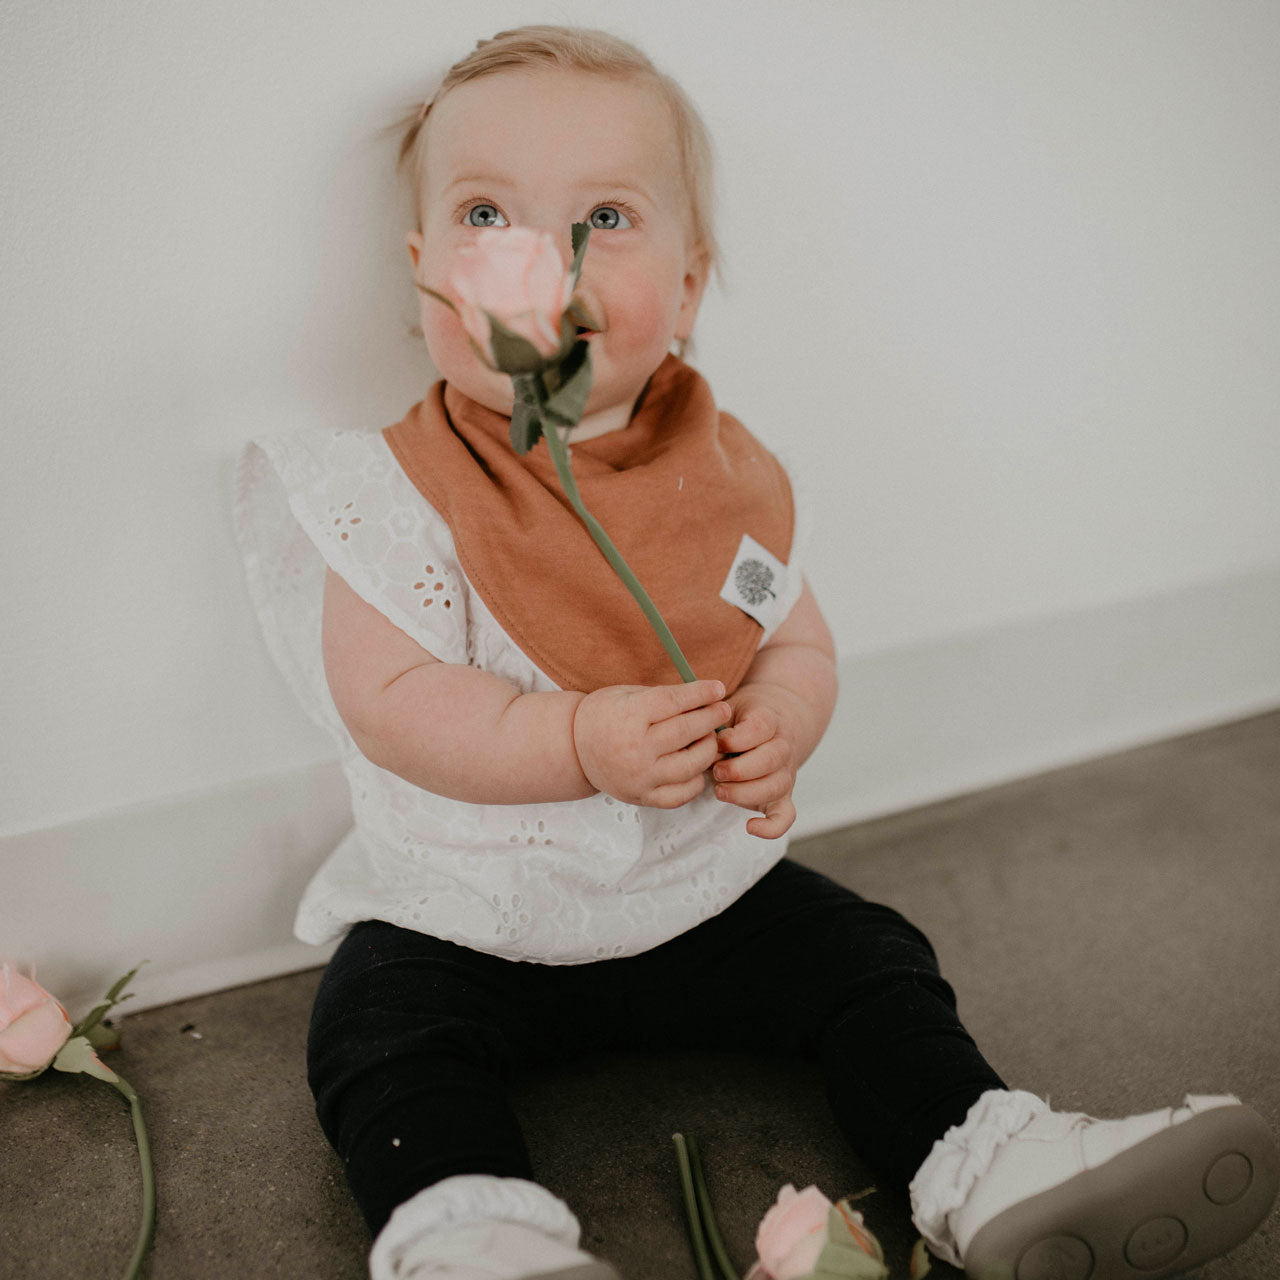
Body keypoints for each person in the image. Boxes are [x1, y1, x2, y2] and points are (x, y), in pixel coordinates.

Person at [235, 25, 1277, 1280]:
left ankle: (988, 1160)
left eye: (605, 216)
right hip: (466, 909)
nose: (543, 260)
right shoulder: (396, 491)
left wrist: (779, 717)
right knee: (373, 1030)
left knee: (867, 958)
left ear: (687, 282)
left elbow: (794, 638)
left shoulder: (719, 482)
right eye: (485, 214)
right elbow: (389, 700)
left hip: (693, 887)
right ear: (422, 277)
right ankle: (477, 1232)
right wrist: (569, 739)